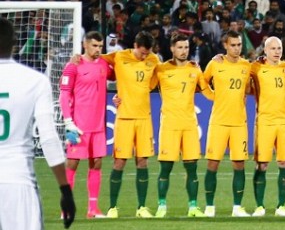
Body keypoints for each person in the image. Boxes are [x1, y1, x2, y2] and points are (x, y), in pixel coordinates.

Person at [0, 18, 76, 230]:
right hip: (19, 184)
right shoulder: (34, 80)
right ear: (15, 45)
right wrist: (65, 189)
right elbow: (48, 137)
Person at [101, 31, 160, 218]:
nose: (144, 56)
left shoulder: (154, 60)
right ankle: (112, 207)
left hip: (144, 118)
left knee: (142, 161)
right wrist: (78, 57)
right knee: (120, 161)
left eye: (147, 53)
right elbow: (96, 59)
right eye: (142, 52)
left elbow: (164, 74)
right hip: (124, 118)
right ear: (135, 45)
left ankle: (141, 207)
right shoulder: (119, 56)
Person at [151, 32, 207, 218]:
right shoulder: (161, 69)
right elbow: (144, 88)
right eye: (180, 47)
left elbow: (207, 90)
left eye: (186, 48)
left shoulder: (195, 69)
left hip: (189, 125)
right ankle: (161, 206)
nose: (184, 51)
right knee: (165, 168)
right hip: (169, 125)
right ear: (172, 49)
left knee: (191, 168)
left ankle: (193, 207)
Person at [58, 31, 112, 219]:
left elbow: (119, 71)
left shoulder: (105, 64)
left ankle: (93, 209)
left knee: (96, 164)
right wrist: (68, 121)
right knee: (72, 164)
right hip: (79, 125)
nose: (98, 49)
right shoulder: (74, 66)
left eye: (100, 46)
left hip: (98, 126)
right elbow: (64, 94)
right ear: (85, 45)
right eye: (94, 45)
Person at [201, 30, 252, 217]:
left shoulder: (247, 65)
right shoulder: (215, 64)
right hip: (219, 122)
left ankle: (237, 207)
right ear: (225, 45)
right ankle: (209, 207)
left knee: (239, 165)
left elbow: (249, 85)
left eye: (239, 45)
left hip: (239, 122)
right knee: (212, 164)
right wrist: (213, 96)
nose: (237, 48)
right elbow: (202, 82)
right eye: (233, 45)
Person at [248, 36, 285, 216]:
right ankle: (260, 206)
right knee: (262, 164)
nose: (277, 52)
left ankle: (281, 207)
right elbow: (240, 70)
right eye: (273, 49)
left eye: (279, 48)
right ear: (265, 50)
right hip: (265, 121)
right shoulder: (256, 68)